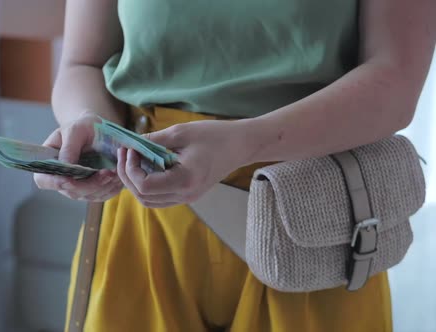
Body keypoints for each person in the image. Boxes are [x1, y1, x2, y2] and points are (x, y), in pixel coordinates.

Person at [34, 0, 436, 331]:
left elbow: (395, 80)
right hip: (142, 221)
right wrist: (89, 128)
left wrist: (247, 141)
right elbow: (81, 64)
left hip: (314, 223)